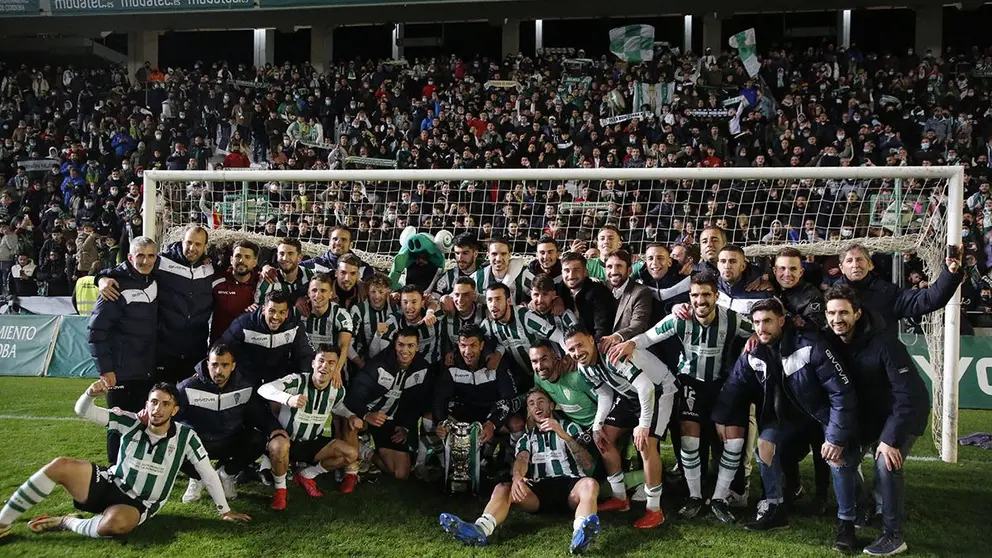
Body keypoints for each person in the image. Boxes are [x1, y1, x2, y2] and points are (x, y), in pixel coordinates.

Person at [0, 380, 250, 541]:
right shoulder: (130, 421)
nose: (158, 409)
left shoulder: (186, 437)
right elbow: (82, 411)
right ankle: (3, 523)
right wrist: (90, 393)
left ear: (175, 410)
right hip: (111, 482)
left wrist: (224, 511)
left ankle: (68, 521)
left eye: (165, 404)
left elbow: (207, 473)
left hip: (139, 503)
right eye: (154, 402)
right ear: (147, 404)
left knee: (116, 524)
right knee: (60, 465)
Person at [712, 298, 861, 554]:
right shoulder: (754, 351)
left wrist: (835, 436)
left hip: (823, 417)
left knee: (837, 458)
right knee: (765, 447)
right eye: (757, 322)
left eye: (768, 321)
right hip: (787, 420)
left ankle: (847, 524)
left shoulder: (811, 345)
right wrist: (720, 418)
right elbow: (734, 386)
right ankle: (775, 509)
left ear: (782, 320)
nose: (761, 328)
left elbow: (842, 394)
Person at [610, 271, 752, 523]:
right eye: (695, 295)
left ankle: (719, 498)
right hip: (690, 383)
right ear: (690, 296)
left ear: (716, 296)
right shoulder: (679, 319)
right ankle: (695, 496)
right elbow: (648, 336)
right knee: (689, 440)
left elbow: (758, 331)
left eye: (706, 294)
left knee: (734, 443)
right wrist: (630, 343)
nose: (700, 300)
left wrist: (754, 338)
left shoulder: (733, 320)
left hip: (721, 386)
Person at [824, 286, 930, 556]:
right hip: (865, 415)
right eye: (832, 313)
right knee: (840, 458)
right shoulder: (826, 342)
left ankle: (893, 536)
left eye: (844, 312)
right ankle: (855, 513)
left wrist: (890, 439)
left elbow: (907, 393)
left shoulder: (885, 343)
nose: (838, 319)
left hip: (902, 412)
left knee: (886, 463)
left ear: (857, 313)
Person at [438, 387, 600, 555]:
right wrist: (517, 477)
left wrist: (562, 434)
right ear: (529, 410)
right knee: (503, 487)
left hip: (571, 488)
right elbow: (522, 459)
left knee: (590, 484)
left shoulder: (570, 427)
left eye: (541, 401)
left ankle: (580, 535)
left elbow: (587, 464)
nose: (536, 406)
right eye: (531, 403)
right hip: (539, 492)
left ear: (551, 405)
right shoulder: (527, 437)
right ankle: (480, 530)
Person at [564, 326, 677, 529]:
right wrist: (597, 425)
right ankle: (620, 498)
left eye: (580, 345)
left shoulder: (612, 353)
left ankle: (654, 510)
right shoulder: (584, 367)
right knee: (603, 437)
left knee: (645, 445)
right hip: (630, 395)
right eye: (571, 349)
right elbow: (606, 394)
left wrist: (643, 424)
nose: (576, 352)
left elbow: (647, 387)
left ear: (591, 340)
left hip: (659, 390)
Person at [97, 225, 218, 385]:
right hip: (164, 352)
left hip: (196, 352)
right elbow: (129, 268)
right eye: (188, 242)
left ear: (205, 247)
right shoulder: (162, 262)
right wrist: (100, 278)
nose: (192, 248)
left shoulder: (211, 268)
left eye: (198, 244)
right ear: (182, 241)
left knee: (187, 405)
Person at [175, 344, 287, 509]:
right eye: (214, 365)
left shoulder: (244, 386)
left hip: (230, 440)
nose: (219, 371)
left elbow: (259, 413)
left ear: (233, 366)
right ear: (207, 364)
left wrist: (274, 429)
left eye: (225, 365)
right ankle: (197, 477)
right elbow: (170, 412)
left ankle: (227, 474)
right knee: (174, 442)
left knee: (258, 440)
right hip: (198, 444)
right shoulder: (187, 387)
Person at [258, 346, 365, 504]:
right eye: (321, 361)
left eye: (331, 363)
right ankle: (280, 491)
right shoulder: (297, 380)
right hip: (287, 440)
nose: (325, 366)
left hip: (313, 442)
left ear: (336, 367)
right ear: (313, 363)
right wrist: (288, 399)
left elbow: (336, 406)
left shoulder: (337, 390)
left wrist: (351, 416)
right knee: (279, 446)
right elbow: (264, 389)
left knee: (351, 454)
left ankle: (306, 475)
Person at [87, 235, 159, 464]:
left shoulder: (154, 280)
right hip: (120, 371)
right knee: (117, 424)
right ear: (130, 257)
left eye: (151, 256)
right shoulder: (114, 286)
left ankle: (135, 470)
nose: (146, 261)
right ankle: (114, 471)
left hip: (146, 368)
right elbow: (95, 332)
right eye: (140, 256)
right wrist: (105, 369)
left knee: (142, 421)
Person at [345, 327, 432, 480]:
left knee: (401, 474)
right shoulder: (379, 364)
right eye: (401, 345)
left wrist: (405, 426)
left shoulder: (422, 368)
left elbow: (419, 402)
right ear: (394, 345)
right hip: (368, 414)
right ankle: (353, 451)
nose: (405, 350)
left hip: (389, 420)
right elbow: (353, 395)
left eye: (410, 346)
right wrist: (366, 414)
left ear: (417, 347)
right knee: (354, 423)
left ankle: (369, 454)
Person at [837, 243, 962, 333]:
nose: (855, 265)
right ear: (841, 268)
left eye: (859, 259)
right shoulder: (832, 296)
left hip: (881, 361)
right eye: (849, 261)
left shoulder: (888, 293)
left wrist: (950, 274)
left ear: (870, 264)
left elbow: (929, 299)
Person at [433, 325, 523, 446]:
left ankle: (512, 455)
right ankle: (442, 458)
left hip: (492, 411)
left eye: (473, 345)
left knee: (517, 424)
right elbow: (439, 398)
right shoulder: (451, 365)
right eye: (463, 346)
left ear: (481, 345)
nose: (468, 352)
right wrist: (440, 422)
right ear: (458, 345)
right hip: (463, 413)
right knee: (431, 420)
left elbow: (509, 399)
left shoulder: (496, 363)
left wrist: (493, 423)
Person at [217, 290, 315, 386]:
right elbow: (223, 348)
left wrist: (306, 380)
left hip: (277, 380)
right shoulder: (244, 324)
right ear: (264, 310)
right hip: (246, 379)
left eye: (281, 312)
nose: (276, 317)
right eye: (272, 311)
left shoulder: (294, 327)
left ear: (286, 313)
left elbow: (305, 355)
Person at [481, 282, 563, 388]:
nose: (493, 304)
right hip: (527, 378)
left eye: (498, 299)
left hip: (551, 373)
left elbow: (558, 336)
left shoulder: (525, 316)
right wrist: (498, 352)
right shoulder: (489, 324)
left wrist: (568, 356)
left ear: (508, 301)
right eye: (489, 300)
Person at [528, 340, 598, 430]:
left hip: (599, 424)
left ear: (554, 356)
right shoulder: (538, 378)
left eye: (544, 359)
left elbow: (605, 400)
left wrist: (598, 426)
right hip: (575, 429)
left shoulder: (576, 377)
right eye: (534, 361)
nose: (540, 366)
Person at [598, 249, 655, 352]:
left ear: (629, 270)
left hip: (632, 351)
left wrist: (618, 336)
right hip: (602, 349)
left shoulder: (641, 292)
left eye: (619, 266)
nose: (614, 271)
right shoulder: (600, 288)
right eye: (609, 267)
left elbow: (639, 324)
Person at [371, 284, 442, 366]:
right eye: (405, 302)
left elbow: (446, 302)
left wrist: (430, 311)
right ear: (400, 303)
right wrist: (378, 335)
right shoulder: (393, 322)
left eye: (414, 302)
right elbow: (374, 354)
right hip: (404, 370)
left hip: (432, 367)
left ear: (422, 302)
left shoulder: (434, 314)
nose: (409, 307)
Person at [301, 273, 354, 382]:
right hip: (305, 365)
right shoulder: (299, 312)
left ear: (330, 294)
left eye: (323, 291)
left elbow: (344, 346)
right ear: (308, 293)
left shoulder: (341, 315)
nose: (318, 295)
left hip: (331, 367)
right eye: (314, 290)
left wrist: (336, 371)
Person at [210, 240, 261, 343]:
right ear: (231, 259)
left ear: (255, 262)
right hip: (220, 347)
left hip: (248, 346)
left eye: (247, 257)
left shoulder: (261, 283)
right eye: (238, 256)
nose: (241, 260)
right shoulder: (217, 282)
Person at [560, 252, 617, 340]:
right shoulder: (560, 291)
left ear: (585, 272)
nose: (571, 275)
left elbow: (602, 329)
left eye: (576, 270)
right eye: (566, 270)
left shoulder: (598, 292)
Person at [773, 247, 827, 331]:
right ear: (775, 271)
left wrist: (785, 313)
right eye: (782, 268)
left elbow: (814, 328)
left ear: (800, 272)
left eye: (793, 269)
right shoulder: (769, 287)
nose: (787, 274)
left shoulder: (812, 296)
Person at [472, 237, 534, 306]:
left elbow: (542, 293)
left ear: (509, 255)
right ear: (488, 255)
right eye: (494, 254)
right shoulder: (477, 277)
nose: (498, 259)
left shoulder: (522, 275)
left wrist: (530, 303)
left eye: (503, 254)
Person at [348, 272, 392, 368]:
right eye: (373, 291)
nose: (376, 296)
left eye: (381, 292)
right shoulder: (358, 309)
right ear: (368, 291)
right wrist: (361, 364)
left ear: (388, 292)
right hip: (361, 361)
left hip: (386, 361)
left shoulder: (394, 307)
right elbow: (347, 343)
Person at [256, 237, 314, 305]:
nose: (285, 258)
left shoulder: (310, 276)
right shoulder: (268, 279)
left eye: (290, 253)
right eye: (282, 253)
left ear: (299, 258)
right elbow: (259, 308)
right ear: (277, 256)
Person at [430, 232, 482, 296]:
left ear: (475, 254)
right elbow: (434, 298)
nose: (460, 257)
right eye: (457, 253)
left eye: (465, 253)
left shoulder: (485, 273)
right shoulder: (449, 276)